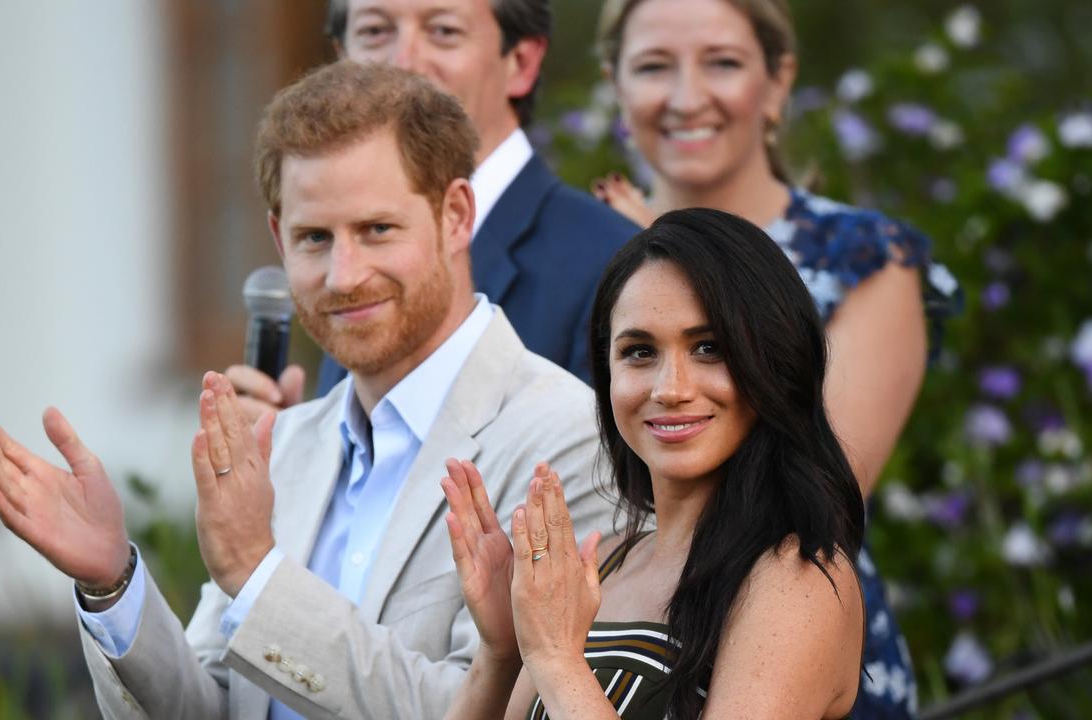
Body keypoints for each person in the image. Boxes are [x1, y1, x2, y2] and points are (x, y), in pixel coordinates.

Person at [0, 62, 613, 720]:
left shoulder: (568, 441)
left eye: (376, 230)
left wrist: (256, 572)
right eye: (315, 238)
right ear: (279, 238)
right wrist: (112, 582)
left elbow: (491, 708)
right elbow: (211, 708)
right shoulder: (287, 444)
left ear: (455, 216)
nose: (343, 276)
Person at [590, 0, 963, 714]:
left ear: (778, 79)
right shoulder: (591, 249)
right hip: (617, 596)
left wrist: (663, 246)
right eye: (653, 66)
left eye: (722, 62)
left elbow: (825, 474)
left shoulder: (864, 256)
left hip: (780, 625)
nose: (686, 96)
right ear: (615, 82)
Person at [440, 209, 867, 719]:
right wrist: (504, 648)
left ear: (775, 360)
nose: (669, 389)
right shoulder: (603, 563)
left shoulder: (799, 577)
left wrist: (556, 658)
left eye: (708, 348)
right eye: (640, 352)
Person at [228, 0, 640, 419]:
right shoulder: (338, 265)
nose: (403, 61)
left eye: (443, 31)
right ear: (340, 61)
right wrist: (308, 457)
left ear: (521, 61)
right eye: (374, 31)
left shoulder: (616, 266)